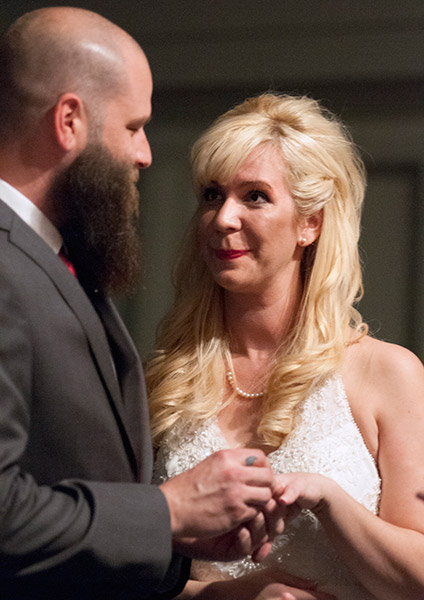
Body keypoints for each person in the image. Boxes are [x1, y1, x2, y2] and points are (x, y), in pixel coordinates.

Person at [0, 8, 285, 600]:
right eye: (133, 126)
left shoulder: (54, 258)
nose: (146, 153)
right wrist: (166, 513)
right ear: (69, 120)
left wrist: (179, 556)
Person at [147, 93, 424, 600]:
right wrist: (223, 597)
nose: (223, 218)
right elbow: (112, 569)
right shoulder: (161, 383)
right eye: (212, 194)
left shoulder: (387, 374)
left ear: (310, 223)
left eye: (254, 196)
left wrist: (331, 501)